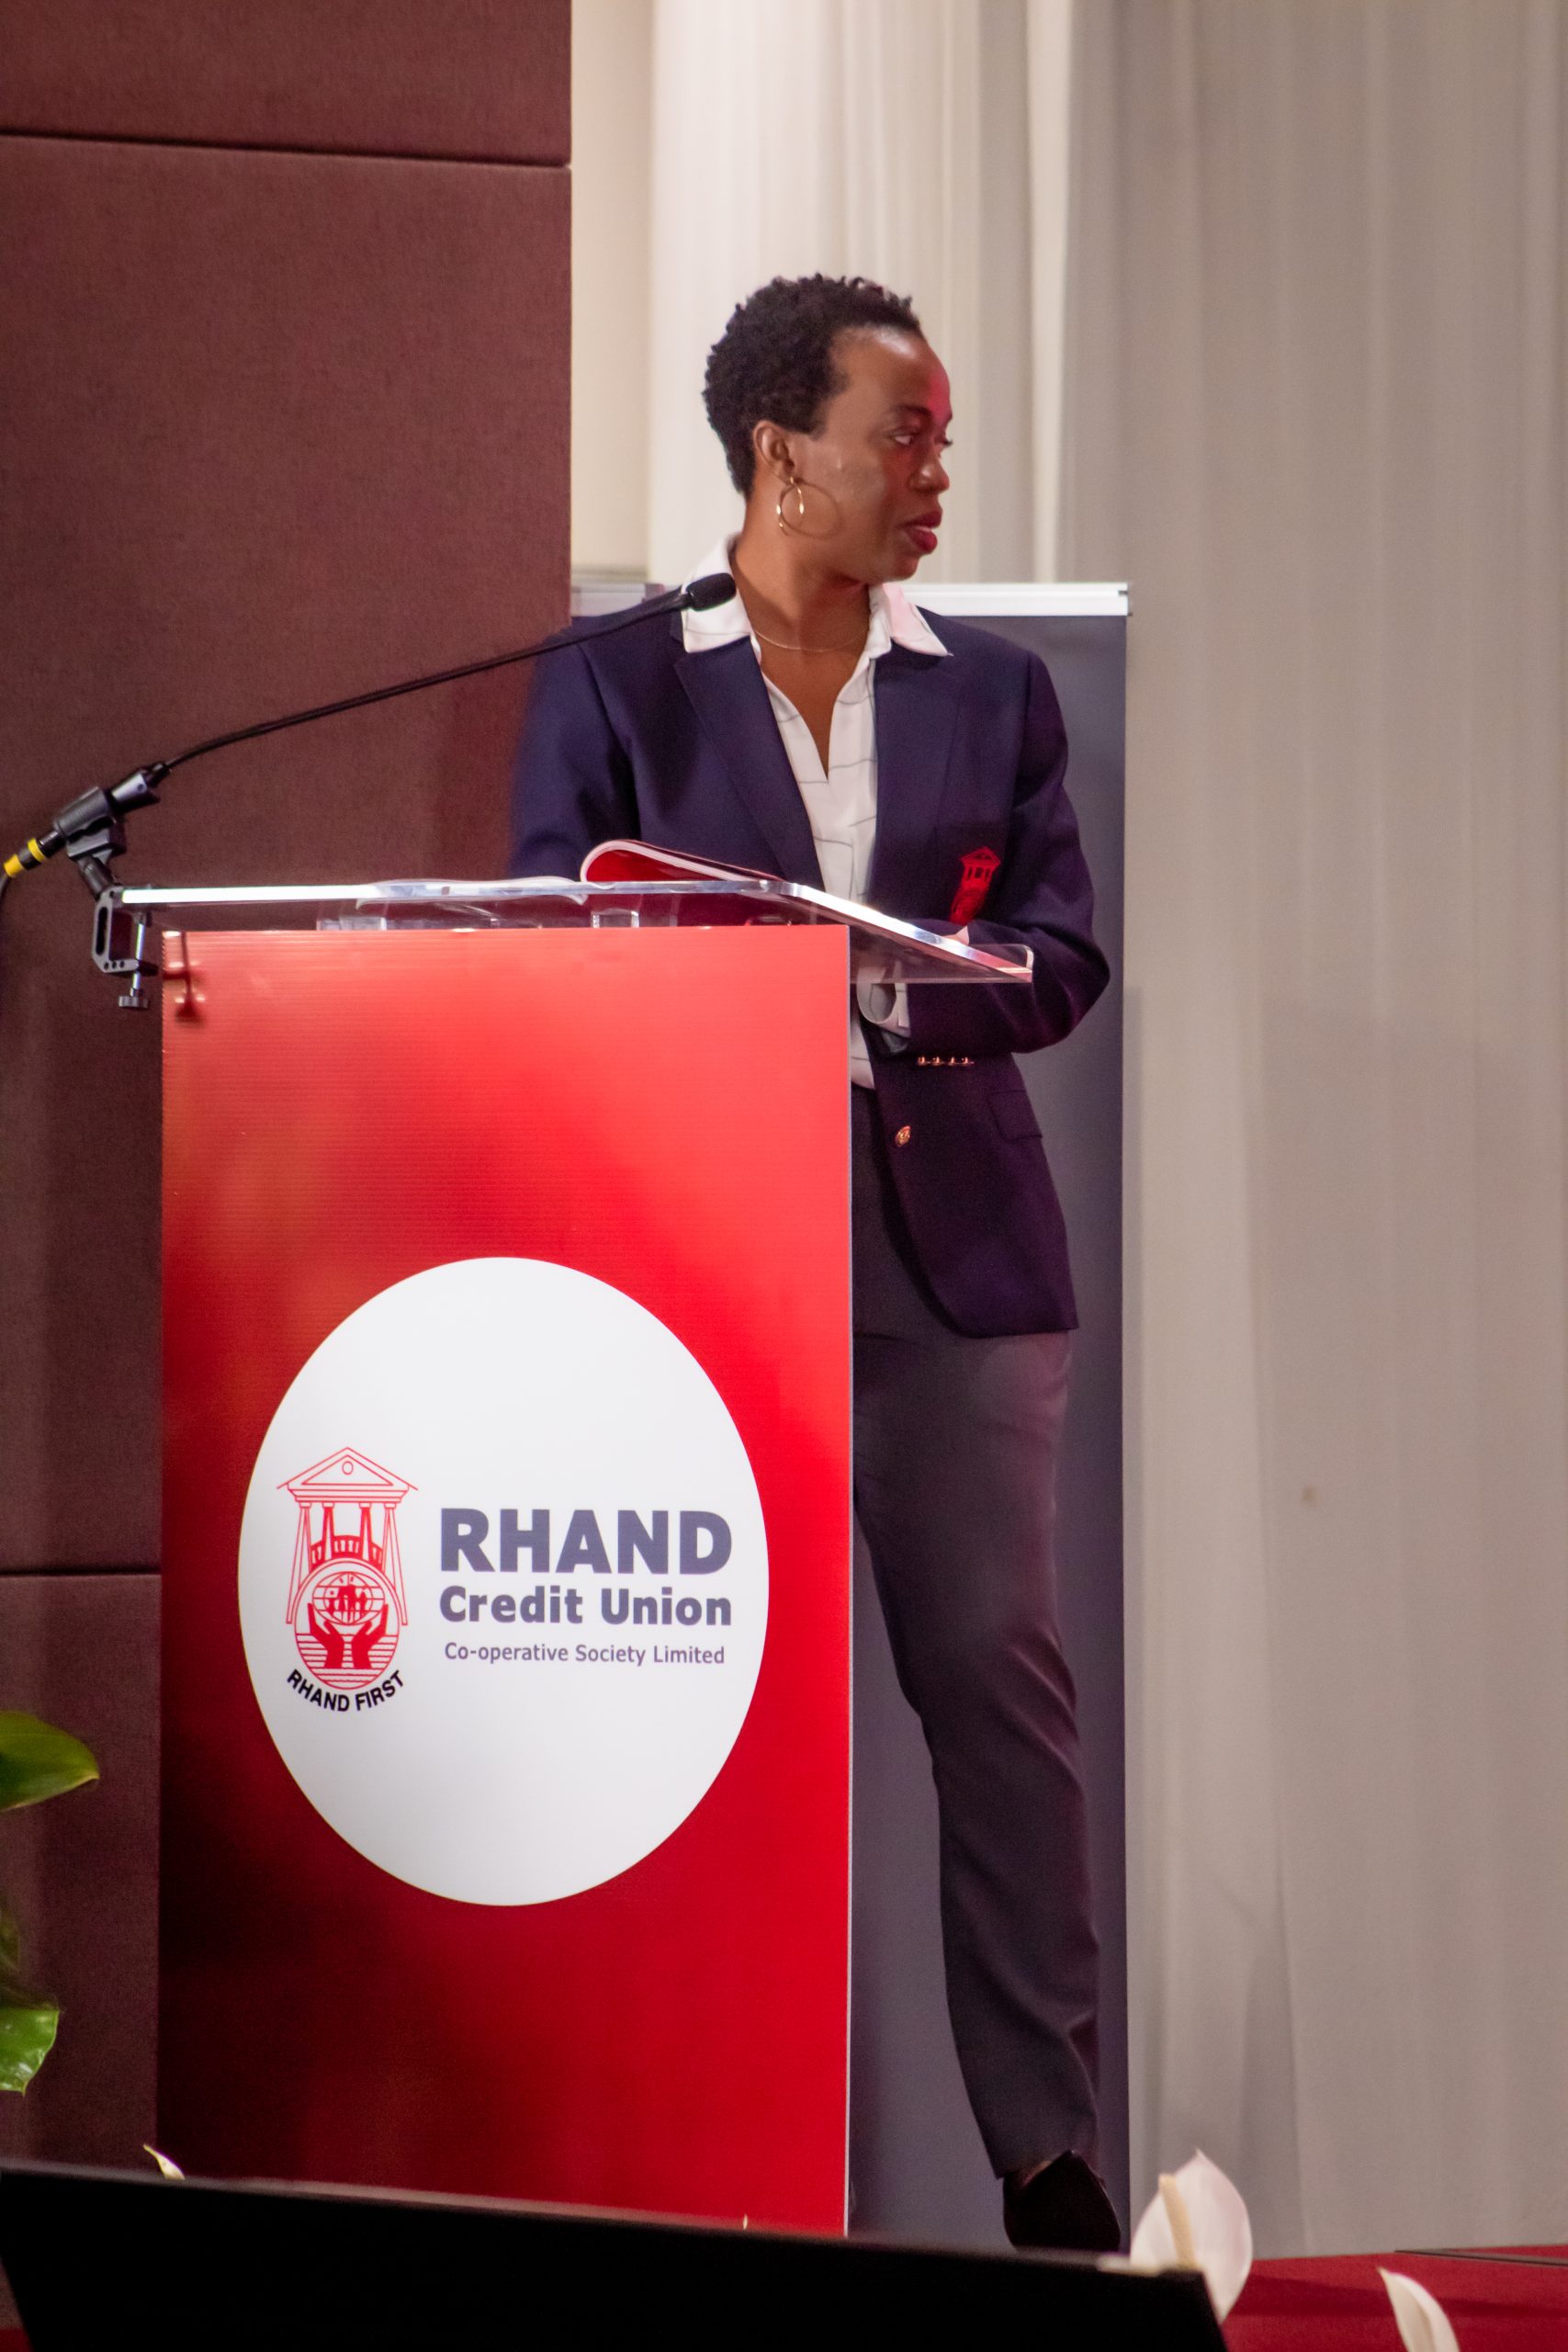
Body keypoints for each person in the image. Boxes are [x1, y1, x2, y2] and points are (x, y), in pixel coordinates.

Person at [510, 274, 1115, 2253]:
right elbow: (544, 934)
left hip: (958, 1266)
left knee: (997, 1693)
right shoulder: (617, 679)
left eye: (941, 438)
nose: (934, 472)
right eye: (902, 435)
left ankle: (1050, 2166)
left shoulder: (992, 690)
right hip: (706, 1253)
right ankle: (710, 2169)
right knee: (706, 1700)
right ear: (783, 454)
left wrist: (893, 989)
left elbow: (1063, 954)